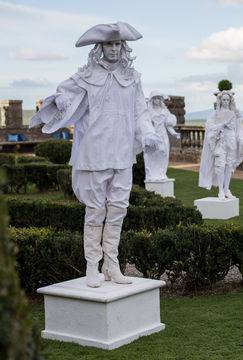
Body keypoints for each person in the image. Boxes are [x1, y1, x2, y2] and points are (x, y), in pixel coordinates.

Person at [30, 22, 162, 288]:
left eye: (117, 44)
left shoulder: (132, 77)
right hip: (95, 152)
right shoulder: (85, 76)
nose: (113, 49)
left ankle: (111, 264)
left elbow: (140, 111)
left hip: (122, 153)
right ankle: (92, 266)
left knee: (118, 210)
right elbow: (63, 95)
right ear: (100, 48)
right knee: (95, 211)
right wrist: (61, 101)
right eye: (108, 44)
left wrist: (147, 133)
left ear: (123, 47)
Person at [198, 90, 243, 200]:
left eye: (227, 100)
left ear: (230, 100)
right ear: (220, 100)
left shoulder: (234, 114)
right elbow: (209, 127)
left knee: (229, 166)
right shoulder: (216, 114)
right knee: (220, 166)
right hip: (220, 142)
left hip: (231, 142)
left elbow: (239, 129)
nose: (225, 101)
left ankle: (226, 189)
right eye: (223, 99)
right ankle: (220, 190)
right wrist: (221, 125)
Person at [144, 91, 180, 181]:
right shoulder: (148, 111)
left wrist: (174, 133)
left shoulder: (165, 111)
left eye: (158, 98)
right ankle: (152, 174)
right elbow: (146, 124)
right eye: (155, 98)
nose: (157, 100)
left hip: (163, 135)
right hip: (153, 135)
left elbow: (168, 125)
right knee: (153, 154)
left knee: (164, 154)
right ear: (152, 100)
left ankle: (161, 173)